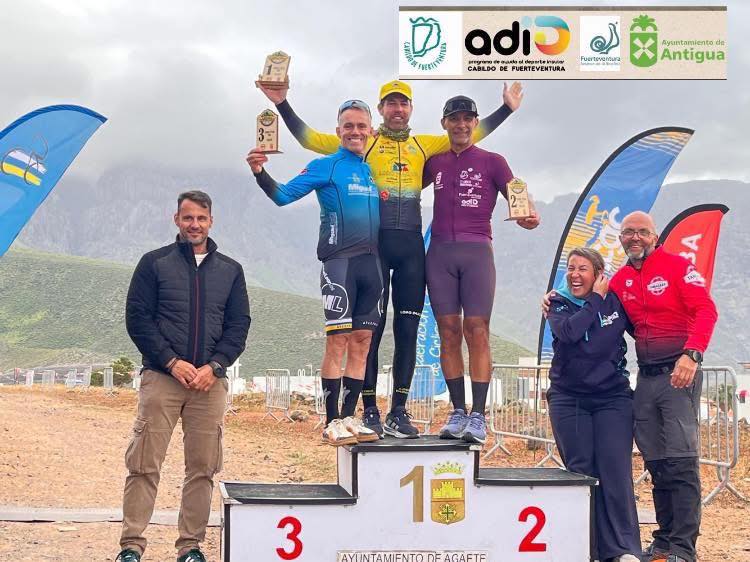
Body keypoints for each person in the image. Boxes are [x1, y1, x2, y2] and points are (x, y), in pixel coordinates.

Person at [257, 77, 523, 439]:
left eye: (403, 103)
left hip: (412, 247)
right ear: (381, 109)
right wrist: (281, 103)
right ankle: (369, 410)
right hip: (375, 248)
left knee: (408, 330)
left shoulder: (425, 144)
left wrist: (506, 109)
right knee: (370, 332)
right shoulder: (364, 139)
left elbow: (470, 131)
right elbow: (309, 139)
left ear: (411, 108)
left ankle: (398, 410)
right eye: (391, 103)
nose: (397, 109)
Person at [543, 211, 718, 562]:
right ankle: (664, 541)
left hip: (679, 373)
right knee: (657, 461)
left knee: (680, 460)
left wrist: (692, 354)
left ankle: (683, 548)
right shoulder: (620, 281)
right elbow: (587, 319)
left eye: (642, 232)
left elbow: (706, 310)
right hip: (646, 378)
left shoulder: (678, 266)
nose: (635, 237)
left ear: (655, 236)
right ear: (621, 238)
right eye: (628, 232)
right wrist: (553, 298)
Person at [116, 190, 251, 562]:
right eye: (188, 218)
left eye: (201, 218)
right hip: (162, 379)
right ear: (176, 219)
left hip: (209, 384)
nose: (195, 225)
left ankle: (190, 547)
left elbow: (239, 326)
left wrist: (216, 366)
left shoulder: (230, 270)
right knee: (144, 464)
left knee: (203, 468)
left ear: (211, 221)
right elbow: (138, 319)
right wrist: (171, 362)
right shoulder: (153, 263)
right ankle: (131, 546)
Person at [246, 99, 381, 446]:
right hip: (339, 263)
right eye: (348, 126)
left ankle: (349, 417)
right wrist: (260, 173)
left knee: (363, 343)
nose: (355, 132)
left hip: (372, 265)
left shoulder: (370, 170)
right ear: (338, 131)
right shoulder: (326, 166)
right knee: (338, 341)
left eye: (361, 126)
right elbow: (282, 196)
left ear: (370, 131)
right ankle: (331, 420)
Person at [422, 96, 539, 444]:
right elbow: (403, 184)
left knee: (477, 330)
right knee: (447, 331)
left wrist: (530, 216)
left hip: (476, 253)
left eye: (467, 119)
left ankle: (478, 415)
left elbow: (519, 198)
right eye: (454, 119)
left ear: (475, 123)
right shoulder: (434, 161)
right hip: (439, 253)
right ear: (444, 124)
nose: (461, 125)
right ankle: (458, 411)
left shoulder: (493, 161)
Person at [547, 247, 641, 562]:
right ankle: (585, 548)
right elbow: (570, 333)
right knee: (582, 472)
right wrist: (595, 300)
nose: (575, 274)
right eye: (571, 268)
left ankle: (623, 550)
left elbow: (642, 326)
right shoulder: (557, 303)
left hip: (612, 397)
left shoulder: (616, 300)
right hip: (568, 398)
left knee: (615, 471)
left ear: (598, 274)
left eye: (582, 268)